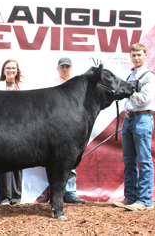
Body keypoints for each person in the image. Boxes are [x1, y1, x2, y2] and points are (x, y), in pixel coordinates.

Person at [113, 43, 155, 211]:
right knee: (129, 161)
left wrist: (128, 91)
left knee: (144, 159)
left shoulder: (149, 76)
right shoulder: (131, 75)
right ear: (130, 56)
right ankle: (130, 197)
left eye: (139, 54)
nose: (136, 57)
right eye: (133, 55)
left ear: (145, 55)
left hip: (142, 118)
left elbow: (144, 99)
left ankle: (145, 200)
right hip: (129, 119)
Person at [52, 57, 85, 204]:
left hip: (71, 128)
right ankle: (55, 195)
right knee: (53, 162)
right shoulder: (52, 86)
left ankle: (71, 193)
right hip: (55, 128)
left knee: (70, 161)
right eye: (62, 67)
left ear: (71, 69)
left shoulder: (77, 86)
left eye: (67, 67)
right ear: (58, 69)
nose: (65, 69)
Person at [0, 59, 26, 205]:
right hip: (2, 129)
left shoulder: (24, 88)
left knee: (19, 162)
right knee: (3, 162)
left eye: (13, 68)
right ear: (3, 71)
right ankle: (4, 197)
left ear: (17, 70)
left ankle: (16, 196)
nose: (11, 70)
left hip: (20, 130)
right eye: (8, 68)